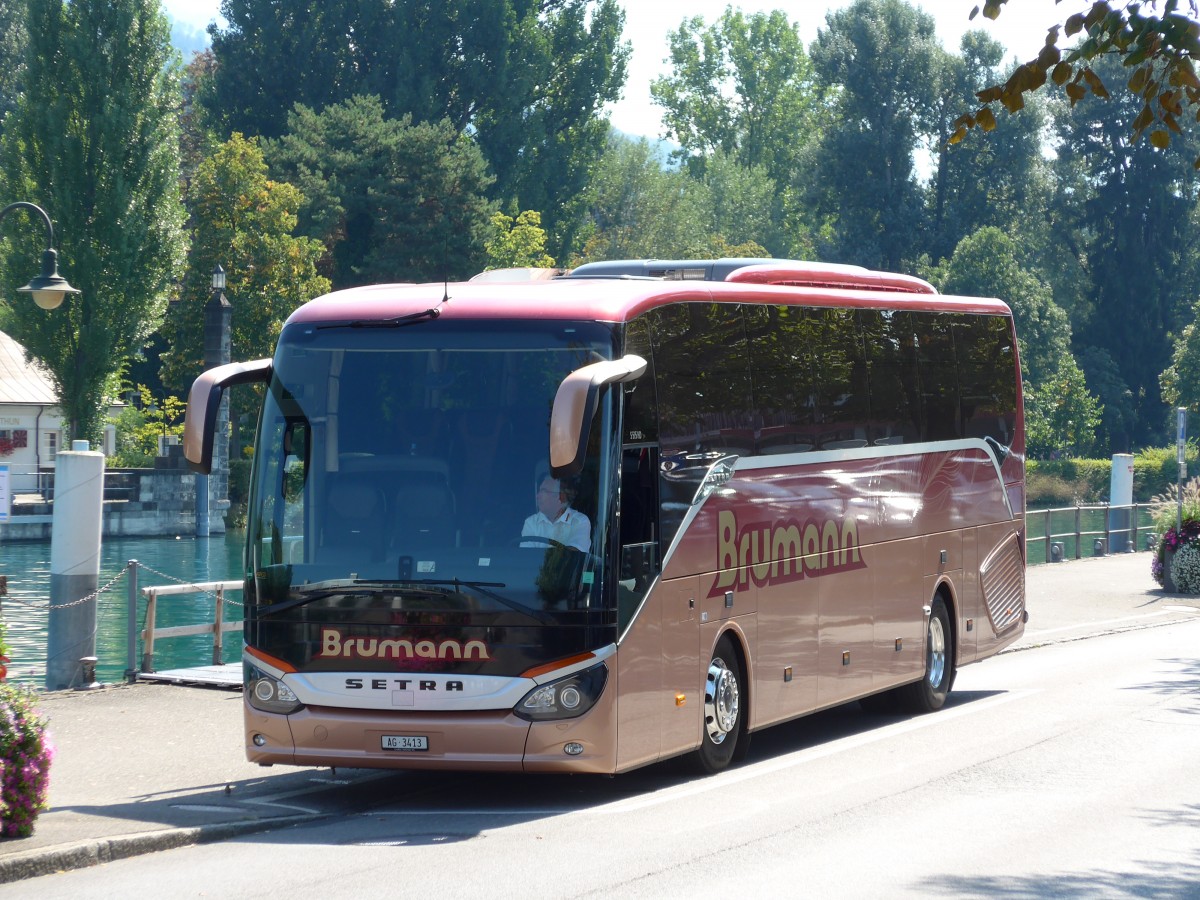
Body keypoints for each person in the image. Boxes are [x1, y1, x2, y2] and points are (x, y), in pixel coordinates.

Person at [521, 475, 591, 552]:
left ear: (559, 497)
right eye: (539, 491)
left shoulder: (579, 522)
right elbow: (525, 556)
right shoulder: (531, 522)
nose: (537, 496)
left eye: (543, 491)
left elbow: (574, 556)